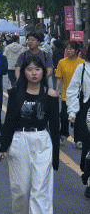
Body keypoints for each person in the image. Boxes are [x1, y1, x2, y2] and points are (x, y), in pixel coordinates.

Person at [0, 53, 59, 214]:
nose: (34, 73)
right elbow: (9, 121)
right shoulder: (15, 93)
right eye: (30, 69)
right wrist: (3, 147)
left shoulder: (51, 95)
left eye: (37, 69)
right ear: (23, 72)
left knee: (40, 190)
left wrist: (55, 157)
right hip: (20, 140)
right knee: (21, 190)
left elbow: (55, 126)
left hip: (42, 141)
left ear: (43, 71)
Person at [65, 47, 90, 193]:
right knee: (88, 146)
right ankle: (88, 177)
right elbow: (73, 90)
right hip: (87, 112)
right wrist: (72, 111)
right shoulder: (83, 68)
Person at [56, 42, 83, 147]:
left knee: (79, 118)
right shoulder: (62, 62)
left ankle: (78, 139)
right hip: (66, 95)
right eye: (67, 49)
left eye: (71, 49)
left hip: (79, 95)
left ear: (76, 50)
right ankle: (63, 135)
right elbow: (59, 78)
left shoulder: (82, 63)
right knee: (64, 117)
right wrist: (57, 91)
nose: (68, 51)